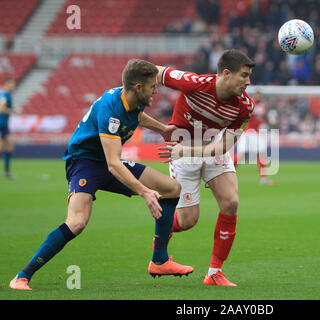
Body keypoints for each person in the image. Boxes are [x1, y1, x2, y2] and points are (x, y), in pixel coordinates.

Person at [9, 59, 193, 290]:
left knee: (171, 188)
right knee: (77, 222)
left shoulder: (134, 98)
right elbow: (114, 165)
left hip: (107, 158)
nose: (156, 91)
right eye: (152, 86)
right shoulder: (111, 111)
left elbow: (135, 117)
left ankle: (159, 261)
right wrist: (144, 192)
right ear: (138, 87)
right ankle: (22, 276)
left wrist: (163, 129)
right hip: (84, 163)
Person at [156, 49, 255, 286]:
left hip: (209, 147)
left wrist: (187, 151)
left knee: (231, 202)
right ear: (227, 74)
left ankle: (214, 273)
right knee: (188, 220)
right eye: (244, 75)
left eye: (249, 76)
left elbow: (223, 147)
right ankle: (159, 242)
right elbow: (156, 72)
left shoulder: (245, 107)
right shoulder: (194, 84)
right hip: (181, 150)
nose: (248, 82)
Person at [234, 90, 273, 185]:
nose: (259, 96)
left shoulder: (263, 105)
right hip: (248, 132)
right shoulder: (250, 104)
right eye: (258, 95)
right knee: (241, 156)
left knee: (261, 154)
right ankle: (225, 174)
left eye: (261, 95)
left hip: (256, 133)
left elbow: (262, 118)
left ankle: (263, 179)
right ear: (255, 95)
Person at [0, 78, 19, 179]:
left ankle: (6, 172)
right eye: (11, 85)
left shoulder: (6, 94)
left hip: (4, 124)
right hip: (1, 124)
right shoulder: (4, 94)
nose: (13, 87)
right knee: (3, 146)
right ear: (6, 85)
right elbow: (2, 109)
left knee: (9, 145)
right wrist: (13, 111)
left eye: (13, 85)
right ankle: (6, 172)